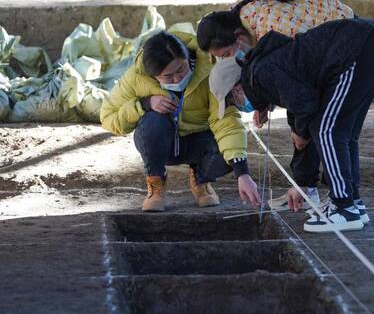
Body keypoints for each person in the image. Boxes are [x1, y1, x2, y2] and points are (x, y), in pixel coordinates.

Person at [209, 18, 374, 233]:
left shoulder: (263, 72)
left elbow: (306, 106)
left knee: (326, 130)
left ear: (236, 89)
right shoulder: (267, 66)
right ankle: (352, 202)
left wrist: (300, 132)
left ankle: (343, 207)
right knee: (343, 131)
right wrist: (303, 180)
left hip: (358, 48)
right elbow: (300, 105)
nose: (241, 106)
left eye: (233, 102)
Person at [196, 0, 355, 209]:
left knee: (319, 125)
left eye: (226, 55)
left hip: (345, 41)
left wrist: (298, 129)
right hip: (325, 48)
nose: (227, 61)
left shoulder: (270, 27)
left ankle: (339, 201)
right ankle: (307, 189)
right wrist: (263, 101)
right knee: (307, 120)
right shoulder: (244, 22)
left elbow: (300, 87)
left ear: (238, 37)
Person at [100, 30, 261, 212]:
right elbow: (108, 118)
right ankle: (156, 182)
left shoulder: (209, 70)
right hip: (163, 143)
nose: (177, 78)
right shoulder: (137, 77)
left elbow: (225, 120)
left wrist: (243, 173)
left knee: (227, 150)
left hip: (200, 141)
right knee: (153, 121)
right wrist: (144, 104)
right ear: (153, 75)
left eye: (181, 69)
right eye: (167, 76)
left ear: (187, 58)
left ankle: (201, 180)